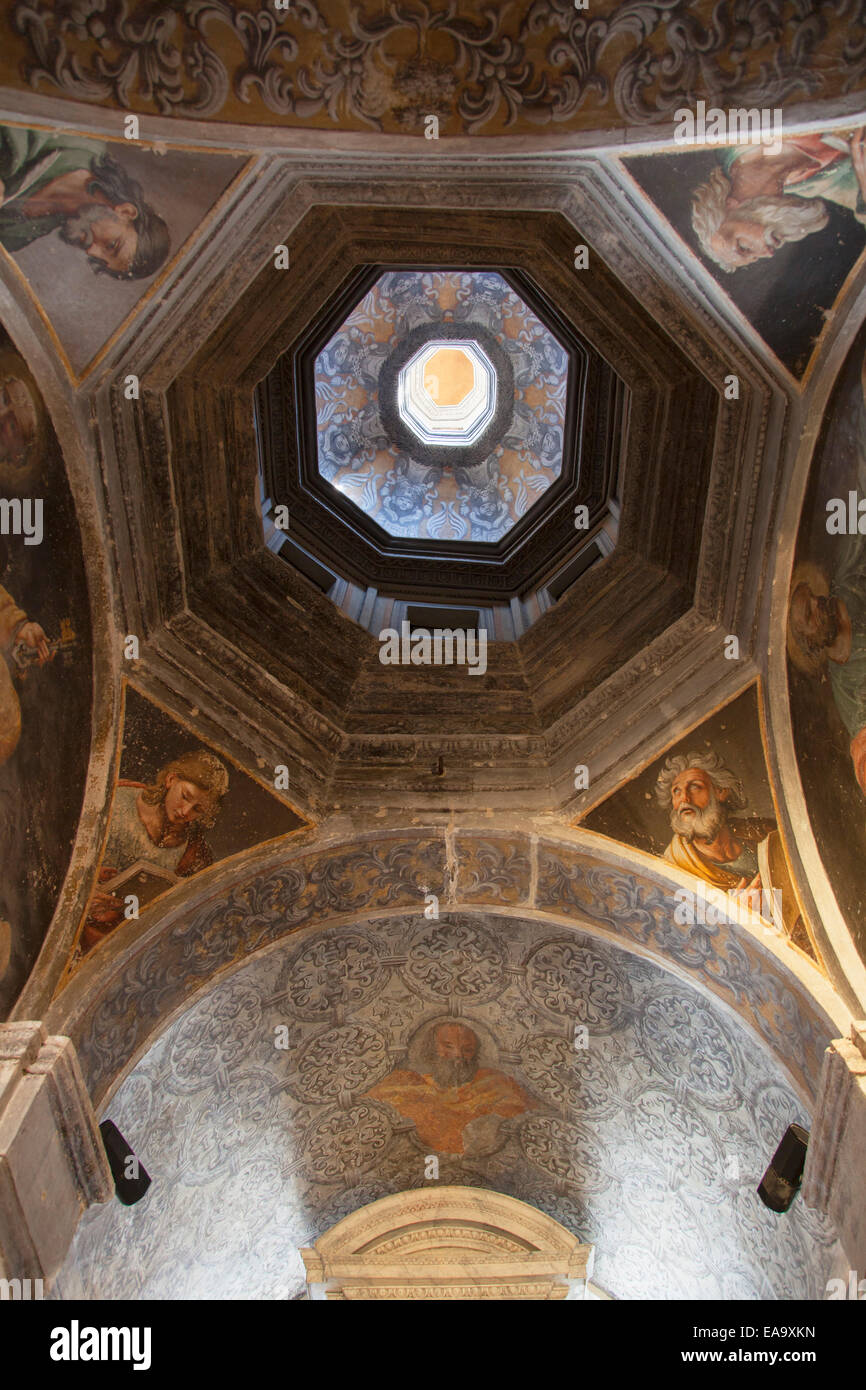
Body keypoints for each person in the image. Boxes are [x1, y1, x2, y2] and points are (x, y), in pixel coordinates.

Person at [81, 750, 228, 953]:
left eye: (198, 810)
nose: (185, 812)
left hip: (129, 944)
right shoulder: (116, 798)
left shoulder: (195, 852)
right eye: (185, 797)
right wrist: (84, 893)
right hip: (81, 929)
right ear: (171, 779)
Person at [0, 125, 169, 280]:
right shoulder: (81, 135)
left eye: (101, 261)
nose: (91, 251)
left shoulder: (24, 233)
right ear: (126, 212)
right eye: (112, 245)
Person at [691, 128, 866, 272]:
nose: (768, 253)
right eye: (756, 257)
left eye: (743, 247)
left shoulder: (735, 130)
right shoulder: (808, 185)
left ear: (729, 205)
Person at [365, 1021, 535, 1155]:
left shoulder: (495, 1083)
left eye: (467, 1049)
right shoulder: (403, 1084)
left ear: (476, 1053)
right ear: (431, 1048)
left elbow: (526, 1115)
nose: (458, 1055)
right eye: (448, 1046)